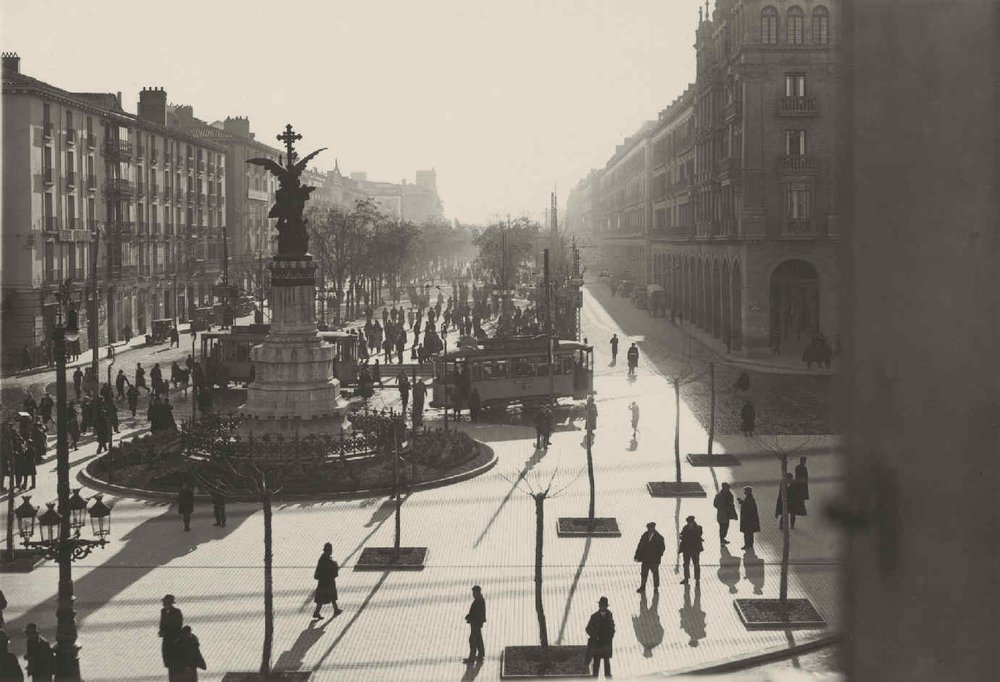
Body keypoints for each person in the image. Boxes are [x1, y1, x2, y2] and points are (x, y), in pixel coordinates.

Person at [585, 596, 615, 678]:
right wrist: (595, 636)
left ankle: (608, 676)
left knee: (607, 661)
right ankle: (595, 677)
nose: (603, 607)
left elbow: (612, 626)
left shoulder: (609, 614)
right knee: (596, 661)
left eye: (604, 605)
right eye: (601, 605)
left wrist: (611, 635)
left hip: (606, 643)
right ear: (599, 606)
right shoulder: (594, 616)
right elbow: (588, 629)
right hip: (597, 644)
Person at [634, 521, 666, 593]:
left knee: (655, 574)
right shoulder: (645, 536)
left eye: (650, 528)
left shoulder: (659, 537)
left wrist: (658, 556)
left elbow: (662, 548)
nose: (649, 529)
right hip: (645, 559)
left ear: (653, 528)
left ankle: (656, 587)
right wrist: (637, 555)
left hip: (654, 560)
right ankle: (643, 586)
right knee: (644, 573)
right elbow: (640, 546)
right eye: (648, 528)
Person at [312, 542, 342, 619]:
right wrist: (335, 564)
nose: (331, 551)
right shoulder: (325, 559)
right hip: (326, 582)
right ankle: (317, 612)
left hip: (325, 581)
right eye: (330, 550)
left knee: (328, 597)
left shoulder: (324, 558)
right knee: (326, 597)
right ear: (328, 550)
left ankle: (335, 609)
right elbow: (328, 567)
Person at [158, 594, 184, 672]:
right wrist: (161, 630)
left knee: (173, 658)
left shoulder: (177, 612)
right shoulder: (163, 611)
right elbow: (162, 623)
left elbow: (178, 626)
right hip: (166, 639)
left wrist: (166, 631)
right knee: (166, 656)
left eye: (165, 603)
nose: (163, 604)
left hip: (174, 639)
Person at [463, 585, 486, 664]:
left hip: (475, 623)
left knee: (472, 640)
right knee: (478, 638)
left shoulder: (478, 601)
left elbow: (477, 614)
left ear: (477, 592)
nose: (473, 594)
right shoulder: (479, 600)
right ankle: (481, 654)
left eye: (474, 592)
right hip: (477, 623)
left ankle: (471, 658)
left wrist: (470, 617)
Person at [678, 515, 704, 585]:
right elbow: (682, 535)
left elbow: (699, 534)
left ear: (693, 522)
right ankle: (686, 578)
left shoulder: (698, 528)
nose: (689, 524)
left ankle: (697, 579)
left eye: (690, 522)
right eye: (688, 522)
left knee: (696, 565)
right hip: (686, 550)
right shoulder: (685, 528)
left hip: (695, 550)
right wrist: (681, 536)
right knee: (686, 565)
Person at [737, 486, 761, 550]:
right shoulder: (749, 498)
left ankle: (748, 544)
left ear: (748, 492)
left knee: (747, 533)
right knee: (749, 533)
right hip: (749, 519)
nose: (744, 492)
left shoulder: (750, 499)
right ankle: (749, 544)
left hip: (748, 520)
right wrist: (741, 502)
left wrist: (742, 503)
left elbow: (749, 508)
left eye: (745, 491)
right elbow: (746, 505)